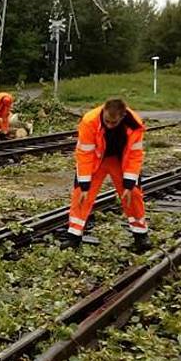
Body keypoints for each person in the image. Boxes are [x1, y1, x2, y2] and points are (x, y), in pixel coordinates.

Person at [63, 98, 151, 252]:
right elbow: (84, 154)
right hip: (97, 160)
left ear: (122, 116)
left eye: (113, 122)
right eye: (107, 121)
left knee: (133, 194)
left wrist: (129, 184)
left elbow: (134, 155)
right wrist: (84, 185)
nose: (109, 125)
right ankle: (73, 237)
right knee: (81, 195)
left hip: (120, 161)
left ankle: (141, 236)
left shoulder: (134, 124)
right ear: (103, 111)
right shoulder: (89, 121)